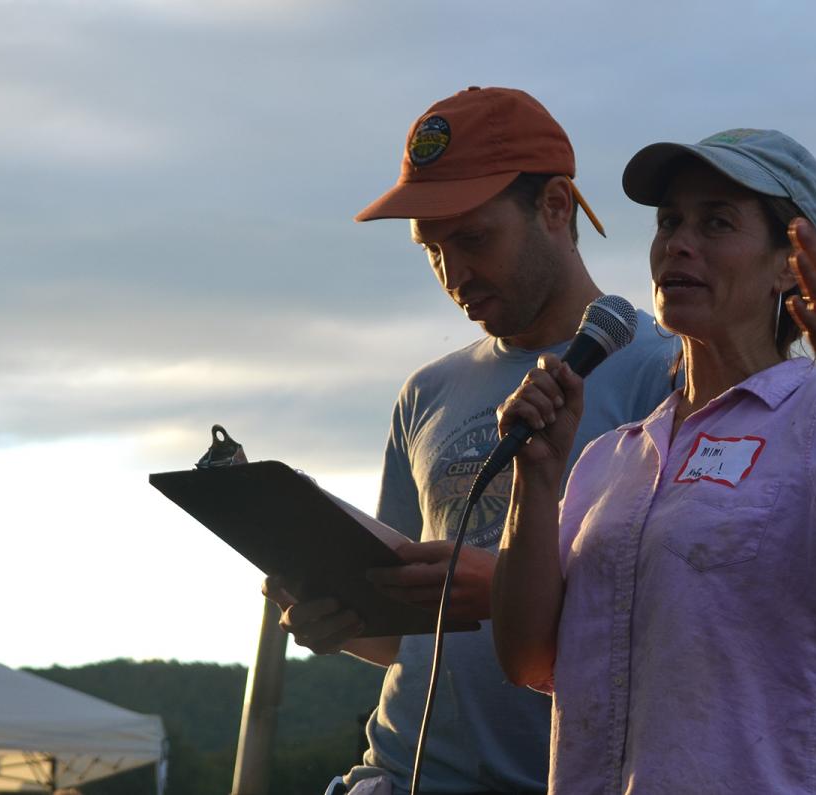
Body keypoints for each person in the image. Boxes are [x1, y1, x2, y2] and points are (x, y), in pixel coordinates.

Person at [491, 128, 816, 793]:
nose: (678, 243)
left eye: (717, 221)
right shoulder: (612, 457)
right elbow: (526, 657)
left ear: (792, 264)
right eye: (669, 222)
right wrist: (536, 477)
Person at [263, 86, 678, 793]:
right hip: (397, 774)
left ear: (554, 207)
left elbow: (693, 615)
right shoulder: (424, 393)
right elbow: (404, 636)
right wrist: (336, 616)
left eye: (473, 238)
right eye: (431, 249)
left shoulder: (663, 372)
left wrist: (516, 588)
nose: (454, 274)